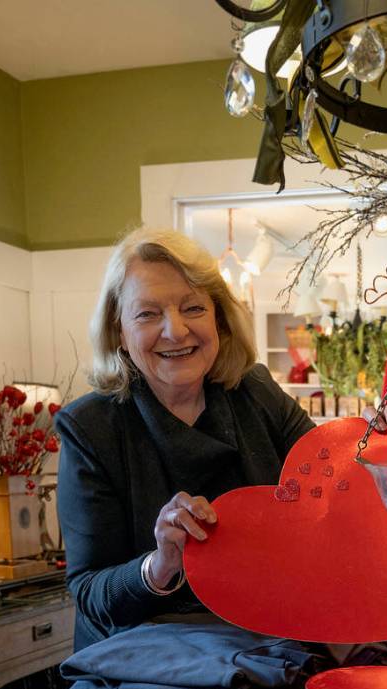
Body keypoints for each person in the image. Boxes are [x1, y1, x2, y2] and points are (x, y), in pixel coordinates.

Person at [56, 227, 316, 651]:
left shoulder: (255, 392)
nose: (175, 331)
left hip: (266, 645)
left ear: (218, 317)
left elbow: (324, 482)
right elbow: (89, 591)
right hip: (146, 667)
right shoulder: (90, 428)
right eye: (147, 314)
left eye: (192, 307)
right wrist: (159, 566)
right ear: (118, 331)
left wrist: (361, 450)